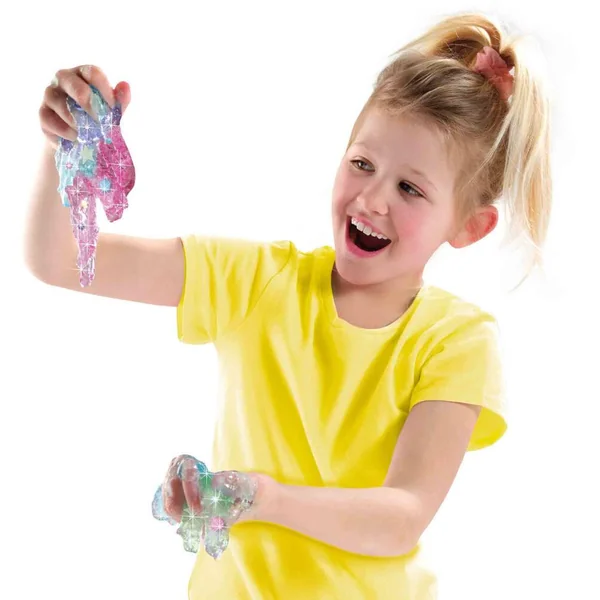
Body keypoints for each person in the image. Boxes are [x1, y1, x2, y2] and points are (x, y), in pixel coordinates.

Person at [25, 10, 552, 600]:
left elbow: (402, 515)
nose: (371, 199)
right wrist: (64, 150)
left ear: (469, 226)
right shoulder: (255, 281)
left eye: (410, 188)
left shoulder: (456, 339)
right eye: (362, 164)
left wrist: (262, 498)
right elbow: (58, 260)